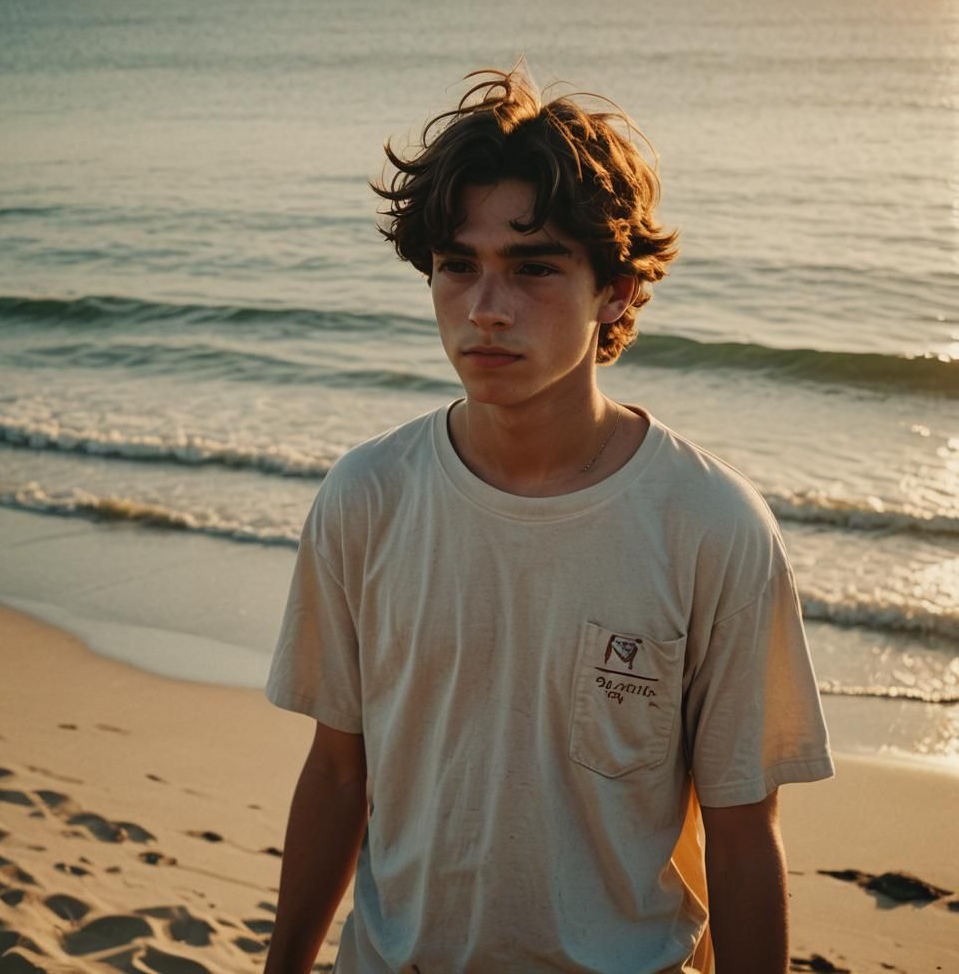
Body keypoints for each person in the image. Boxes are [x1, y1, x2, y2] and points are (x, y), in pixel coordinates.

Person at [262, 65, 835, 974]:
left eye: (533, 268)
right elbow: (338, 772)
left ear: (614, 292)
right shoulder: (367, 498)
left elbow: (740, 831)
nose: (486, 310)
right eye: (458, 265)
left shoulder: (711, 526)